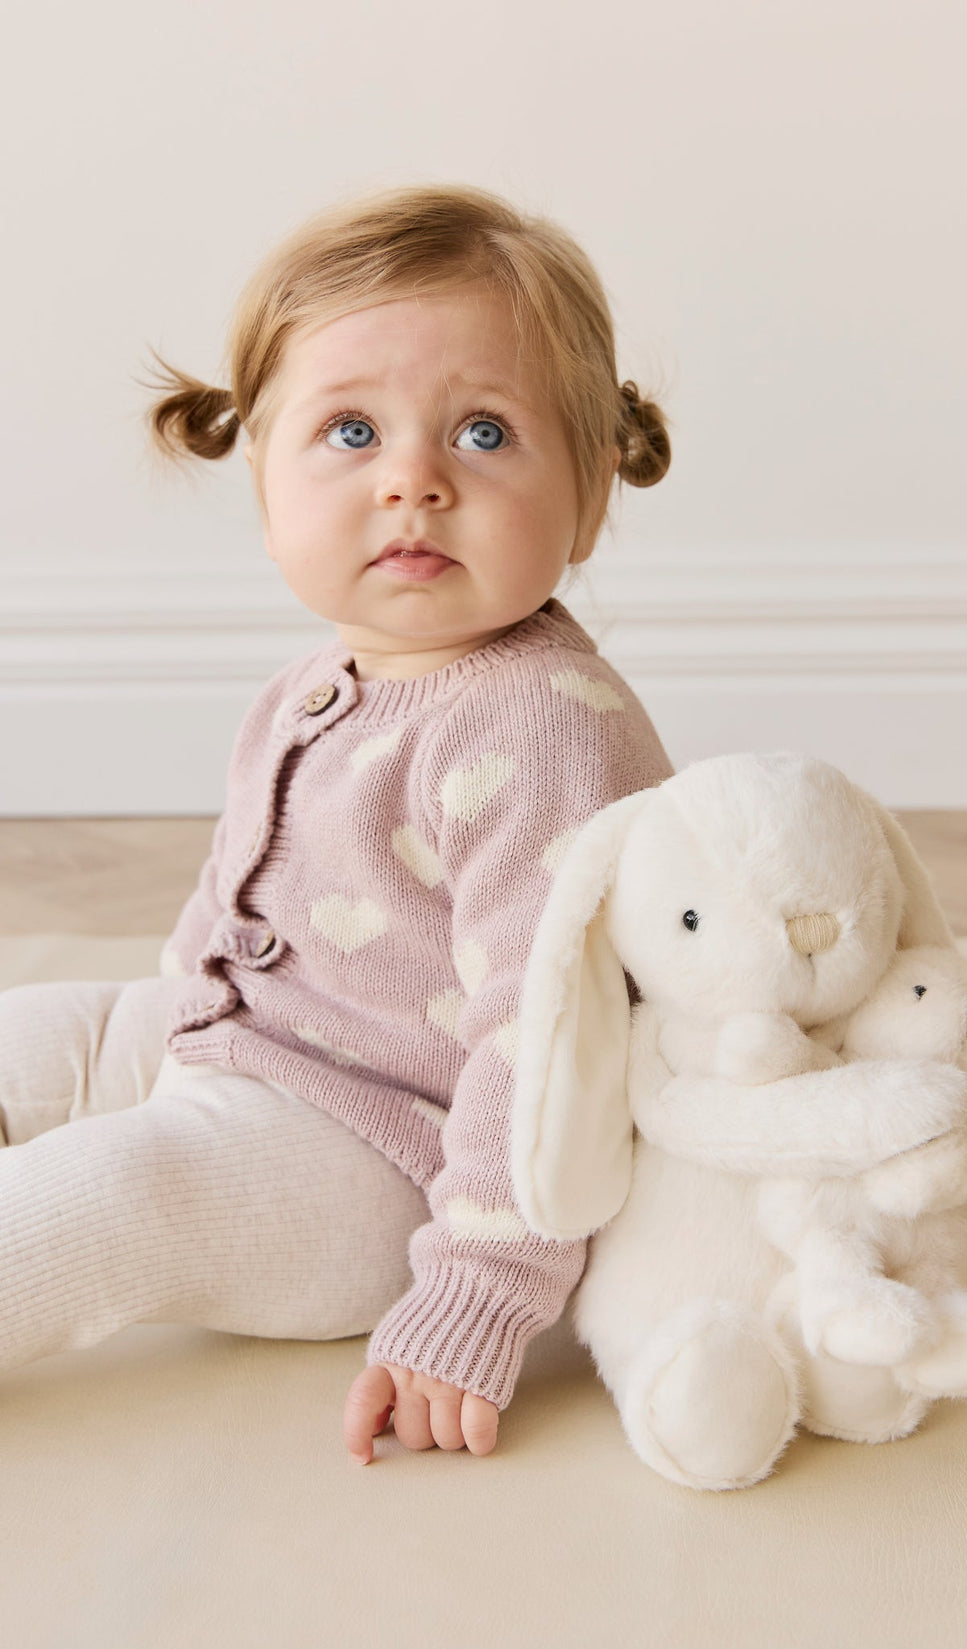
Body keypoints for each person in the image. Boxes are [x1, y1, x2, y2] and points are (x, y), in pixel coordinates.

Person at [0, 185, 674, 1463]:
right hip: (261, 1037)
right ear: (264, 486)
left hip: (389, 1152)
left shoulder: (537, 727)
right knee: (41, 1033)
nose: (412, 480)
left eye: (482, 433)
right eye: (352, 430)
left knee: (118, 1196)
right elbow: (240, 898)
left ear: (589, 497)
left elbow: (550, 1051)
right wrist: (169, 1026)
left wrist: (477, 1289)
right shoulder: (326, 676)